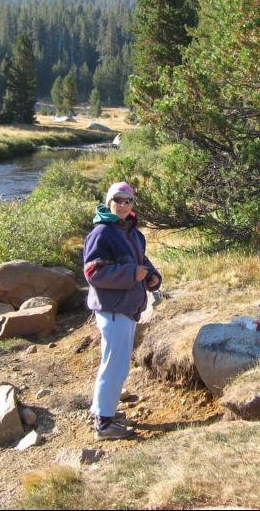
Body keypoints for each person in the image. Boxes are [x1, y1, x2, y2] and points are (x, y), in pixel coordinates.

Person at [83, 181, 162, 441]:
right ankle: (104, 425)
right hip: (113, 309)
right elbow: (93, 272)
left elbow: (142, 262)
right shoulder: (102, 233)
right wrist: (131, 274)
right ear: (109, 202)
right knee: (115, 366)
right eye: (119, 200)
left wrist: (152, 277)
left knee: (112, 363)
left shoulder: (132, 232)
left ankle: (101, 411)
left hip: (126, 307)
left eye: (128, 201)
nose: (124, 205)